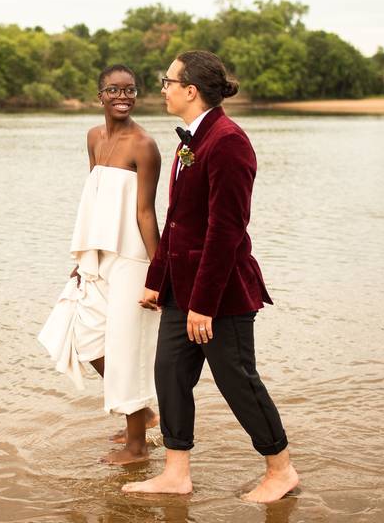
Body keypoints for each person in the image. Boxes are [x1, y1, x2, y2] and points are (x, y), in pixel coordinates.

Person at [122, 50, 299, 502]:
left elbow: (227, 230)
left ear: (190, 90)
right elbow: (178, 218)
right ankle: (176, 474)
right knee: (169, 373)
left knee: (237, 379)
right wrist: (157, 281)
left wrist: (203, 304)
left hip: (221, 294)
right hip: (183, 287)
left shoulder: (229, 141)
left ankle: (281, 470)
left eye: (168, 80)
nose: (162, 87)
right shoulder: (191, 140)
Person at [38, 64, 163, 464]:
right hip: (98, 255)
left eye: (130, 90)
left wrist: (159, 272)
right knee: (84, 336)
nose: (122, 96)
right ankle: (142, 413)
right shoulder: (93, 138)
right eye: (114, 90)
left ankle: (137, 445)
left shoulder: (144, 145)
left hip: (132, 259)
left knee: (126, 348)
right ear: (100, 96)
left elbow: (146, 213)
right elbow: (95, 196)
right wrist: (83, 257)